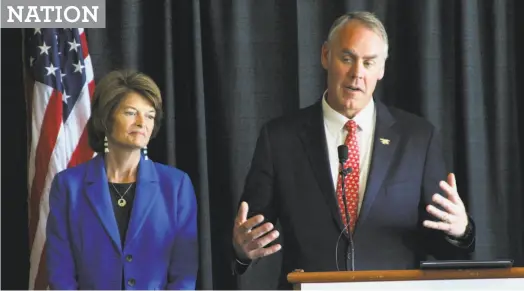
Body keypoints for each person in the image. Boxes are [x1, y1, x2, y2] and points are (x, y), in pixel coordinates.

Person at [231, 11, 475, 289]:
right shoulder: (280, 138)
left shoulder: (418, 138)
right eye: (347, 59)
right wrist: (242, 250)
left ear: (381, 69)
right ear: (325, 56)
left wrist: (460, 231)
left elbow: (447, 249)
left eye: (369, 63)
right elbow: (251, 232)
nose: (357, 73)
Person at [46, 69, 199, 290]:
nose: (142, 122)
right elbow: (60, 272)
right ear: (106, 118)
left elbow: (184, 273)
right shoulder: (68, 186)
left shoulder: (176, 185)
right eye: (131, 113)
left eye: (149, 115)